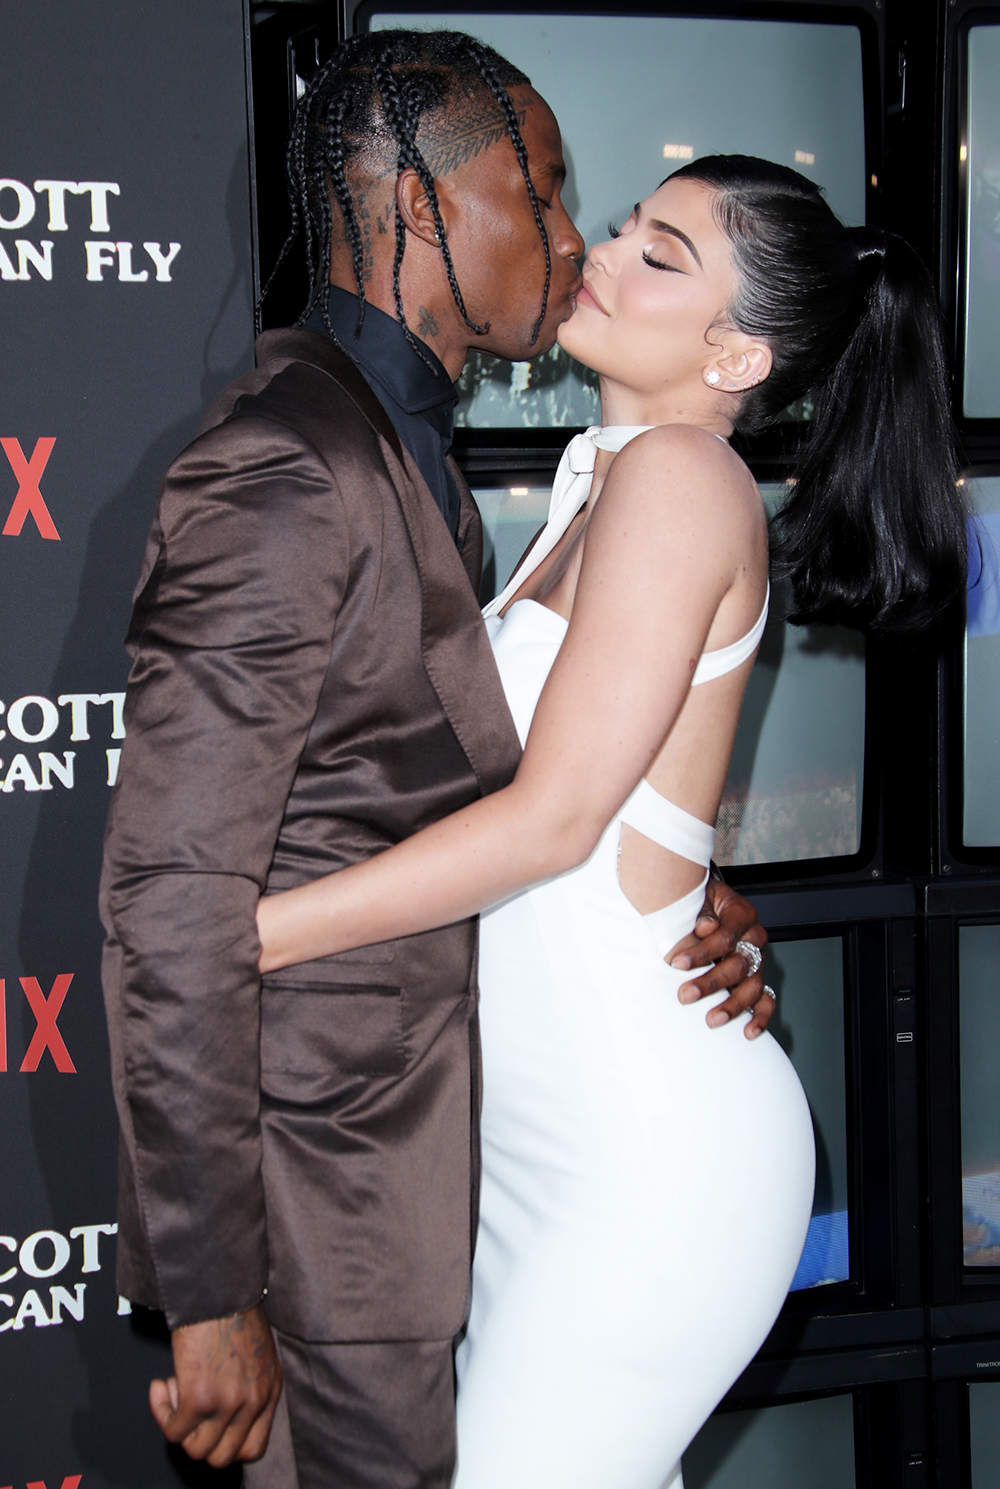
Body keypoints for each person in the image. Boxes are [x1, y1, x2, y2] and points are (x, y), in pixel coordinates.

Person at [98, 33, 770, 1489]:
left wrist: (687, 887)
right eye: (543, 191)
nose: (574, 242)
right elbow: (175, 892)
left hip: (450, 1184)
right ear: (423, 211)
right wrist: (212, 1291)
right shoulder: (289, 460)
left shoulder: (425, 463)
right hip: (327, 1211)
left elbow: (519, 790)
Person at [256, 154, 968, 1488]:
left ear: (737, 349)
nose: (605, 248)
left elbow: (551, 823)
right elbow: (609, 800)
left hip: (641, 1163)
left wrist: (240, 939)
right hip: (540, 1148)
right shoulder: (608, 475)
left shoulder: (683, 478)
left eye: (663, 253)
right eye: (632, 221)